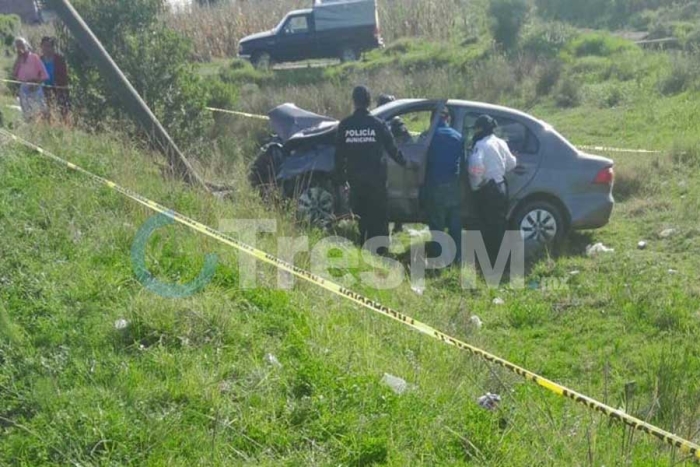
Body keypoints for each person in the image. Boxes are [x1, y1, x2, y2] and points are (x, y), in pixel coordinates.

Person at [336, 86, 417, 255]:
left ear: (354, 101)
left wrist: (340, 179)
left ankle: (365, 248)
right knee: (379, 216)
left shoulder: (345, 125)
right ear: (369, 101)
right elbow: (392, 149)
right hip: (376, 180)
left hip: (356, 180)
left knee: (362, 216)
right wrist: (406, 163)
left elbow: (339, 155)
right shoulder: (377, 124)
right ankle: (381, 251)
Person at [468, 115, 517, 265]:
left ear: (481, 128)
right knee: (500, 224)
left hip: (487, 188)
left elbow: (475, 168)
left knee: (487, 225)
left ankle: (490, 261)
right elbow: (512, 163)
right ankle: (505, 260)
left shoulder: (480, 145)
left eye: (476, 128)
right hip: (501, 186)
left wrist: (476, 185)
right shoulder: (501, 142)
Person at [424, 107, 465, 266]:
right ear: (447, 118)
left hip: (435, 185)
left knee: (437, 224)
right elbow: (463, 162)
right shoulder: (458, 137)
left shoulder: (429, 137)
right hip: (453, 185)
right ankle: (458, 258)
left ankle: (438, 259)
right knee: (455, 223)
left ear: (432, 119)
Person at [12, 37, 49, 122]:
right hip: (24, 87)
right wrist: (18, 59)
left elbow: (43, 73)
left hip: (35, 86)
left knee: (40, 111)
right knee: (27, 112)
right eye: (17, 46)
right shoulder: (19, 59)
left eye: (21, 45)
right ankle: (30, 128)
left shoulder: (34, 57)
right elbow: (14, 74)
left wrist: (36, 85)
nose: (20, 47)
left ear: (26, 45)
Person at [40, 37, 71, 121]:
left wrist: (60, 86)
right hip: (44, 89)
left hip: (59, 88)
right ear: (41, 47)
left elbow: (64, 76)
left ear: (53, 47)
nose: (46, 48)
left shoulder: (59, 59)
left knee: (63, 111)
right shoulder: (39, 60)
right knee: (46, 111)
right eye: (44, 46)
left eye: (49, 46)